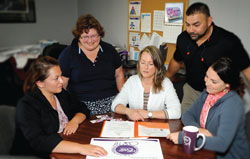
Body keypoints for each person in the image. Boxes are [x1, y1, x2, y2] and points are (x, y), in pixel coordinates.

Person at [12, 56, 107, 158]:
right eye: (56, 78)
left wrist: (74, 121)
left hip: (67, 143)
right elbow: (39, 141)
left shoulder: (60, 94)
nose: (61, 81)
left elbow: (83, 108)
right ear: (40, 83)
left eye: (61, 76)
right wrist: (81, 148)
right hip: (41, 154)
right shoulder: (27, 105)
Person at [166, 2, 250, 113]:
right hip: (192, 91)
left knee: (215, 128)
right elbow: (176, 60)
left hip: (220, 96)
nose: (191, 30)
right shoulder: (183, 39)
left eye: (196, 25)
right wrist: (166, 78)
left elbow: (247, 70)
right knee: (186, 124)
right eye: (188, 25)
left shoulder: (228, 42)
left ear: (209, 21)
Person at [167, 57, 250, 159]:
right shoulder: (208, 93)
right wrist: (199, 130)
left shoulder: (233, 105)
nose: (207, 83)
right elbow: (187, 114)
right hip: (206, 151)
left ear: (227, 85)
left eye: (214, 81)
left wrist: (185, 137)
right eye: (207, 76)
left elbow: (222, 144)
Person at [58, 14, 125, 115]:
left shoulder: (109, 50)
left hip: (112, 103)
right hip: (81, 107)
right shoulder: (68, 54)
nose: (90, 41)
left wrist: (122, 99)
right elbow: (62, 85)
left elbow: (119, 75)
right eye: (85, 37)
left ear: (99, 34)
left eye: (94, 36)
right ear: (78, 37)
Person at [111, 46, 181, 120]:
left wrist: (149, 114)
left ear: (157, 66)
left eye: (150, 64)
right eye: (143, 62)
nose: (145, 67)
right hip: (135, 126)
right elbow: (115, 105)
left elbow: (176, 112)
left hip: (156, 127)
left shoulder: (165, 83)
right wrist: (129, 111)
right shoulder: (132, 81)